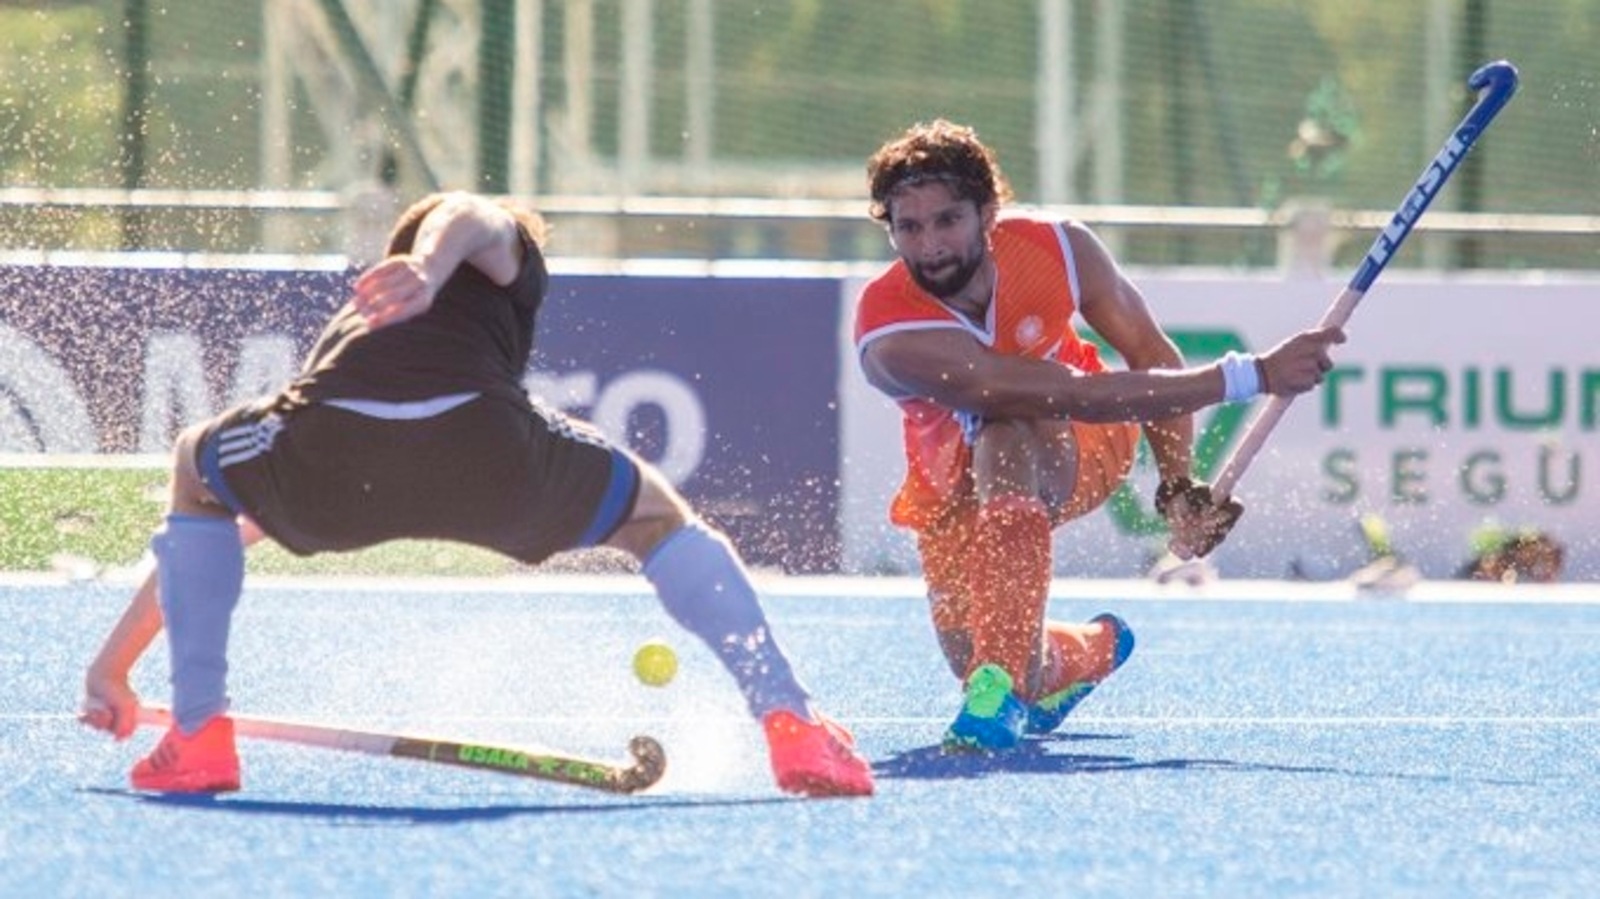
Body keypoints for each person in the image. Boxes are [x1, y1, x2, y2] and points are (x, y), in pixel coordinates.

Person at [80, 191, 874, 798]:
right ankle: (792, 723)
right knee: (655, 517)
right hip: (486, 453)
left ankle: (198, 731)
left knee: (200, 468)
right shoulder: (491, 259)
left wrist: (112, 668)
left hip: (340, 457)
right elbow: (471, 211)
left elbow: (215, 537)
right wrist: (433, 264)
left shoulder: (361, 317)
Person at [853, 120, 1344, 752]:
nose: (930, 246)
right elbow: (1061, 390)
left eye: (947, 220)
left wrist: (1177, 487)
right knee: (978, 656)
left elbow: (1147, 351)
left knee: (1008, 437)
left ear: (988, 213)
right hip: (952, 489)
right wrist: (1251, 376)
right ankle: (1085, 652)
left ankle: (998, 689)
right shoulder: (889, 331)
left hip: (1080, 445)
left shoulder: (1060, 249)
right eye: (908, 228)